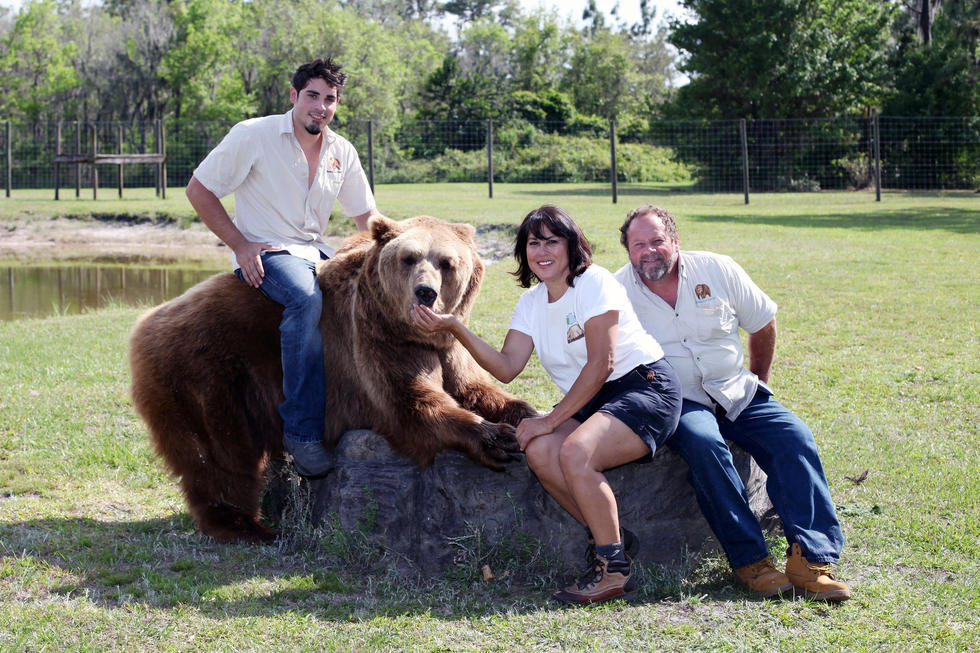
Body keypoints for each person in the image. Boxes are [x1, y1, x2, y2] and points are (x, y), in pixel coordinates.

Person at [411, 205, 681, 605]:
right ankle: (613, 542)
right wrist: (453, 325)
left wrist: (551, 419)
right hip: (593, 399)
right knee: (539, 450)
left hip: (643, 388)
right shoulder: (532, 304)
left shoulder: (595, 282)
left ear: (571, 246)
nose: (542, 251)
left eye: (552, 241)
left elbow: (602, 363)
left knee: (574, 451)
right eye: (533, 243)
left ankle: (613, 572)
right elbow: (506, 368)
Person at [614, 204, 850, 602]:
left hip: (736, 389)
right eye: (639, 245)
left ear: (675, 241)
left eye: (657, 241)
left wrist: (759, 380)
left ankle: (811, 561)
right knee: (706, 446)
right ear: (628, 251)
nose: (649, 251)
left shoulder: (717, 269)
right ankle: (751, 561)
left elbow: (763, 322)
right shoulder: (618, 291)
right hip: (678, 401)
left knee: (793, 436)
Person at [185, 58, 383, 479]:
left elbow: (367, 216)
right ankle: (302, 431)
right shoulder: (253, 135)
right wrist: (240, 245)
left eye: (330, 99)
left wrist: (391, 251)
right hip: (270, 252)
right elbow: (199, 189)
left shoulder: (341, 151)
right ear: (293, 96)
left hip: (316, 250)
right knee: (305, 298)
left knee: (372, 297)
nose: (321, 107)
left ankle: (368, 404)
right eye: (312, 96)